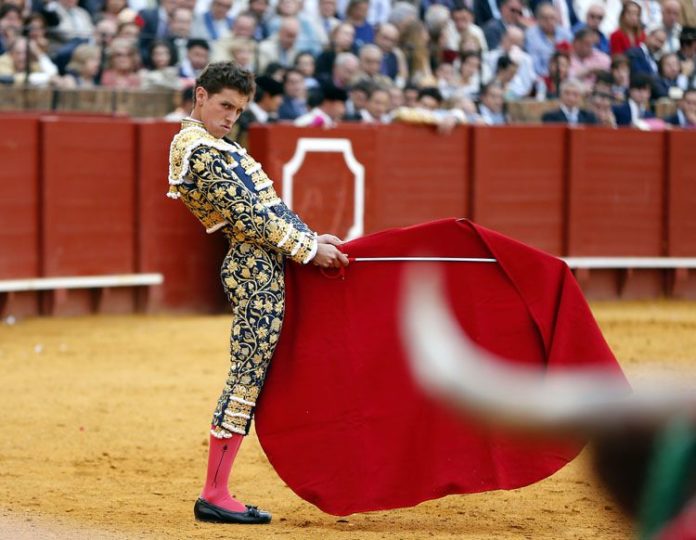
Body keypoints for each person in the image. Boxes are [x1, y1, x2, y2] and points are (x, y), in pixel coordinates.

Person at [167, 61, 348, 525]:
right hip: (253, 269)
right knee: (247, 376)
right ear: (200, 96)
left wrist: (312, 239)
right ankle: (214, 491)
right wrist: (308, 248)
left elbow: (270, 206)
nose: (231, 117)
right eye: (225, 105)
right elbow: (250, 217)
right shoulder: (199, 150)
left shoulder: (220, 145)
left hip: (269, 261)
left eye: (239, 110)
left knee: (271, 368)